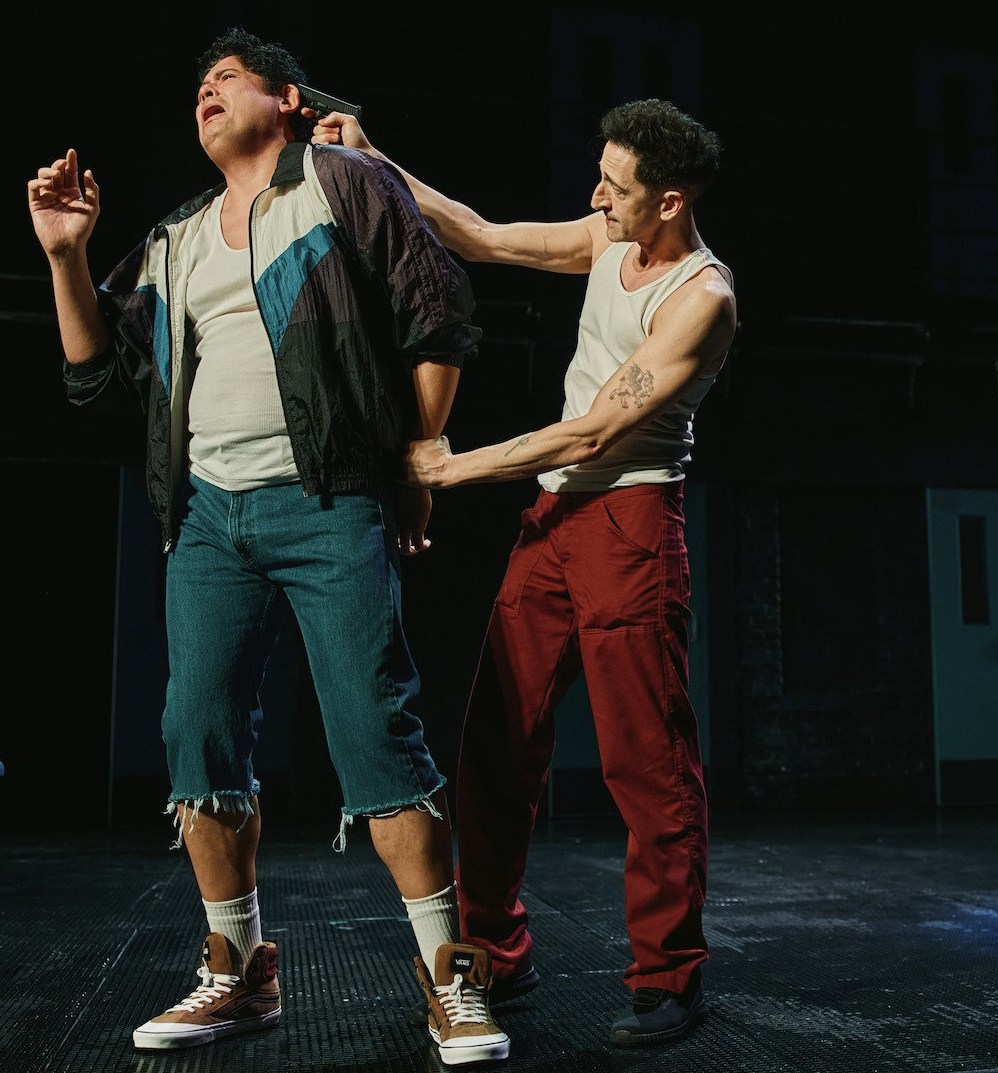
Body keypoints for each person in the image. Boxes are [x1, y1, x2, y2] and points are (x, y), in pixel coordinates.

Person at [27, 28, 509, 1065]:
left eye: (227, 79)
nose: (204, 93)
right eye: (196, 86)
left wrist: (417, 460)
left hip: (328, 498)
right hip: (203, 517)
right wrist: (66, 253)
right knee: (196, 736)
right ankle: (235, 973)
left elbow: (442, 314)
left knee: (377, 736)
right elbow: (88, 372)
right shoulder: (174, 234)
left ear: (288, 100)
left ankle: (449, 978)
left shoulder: (344, 185)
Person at [311, 97, 735, 1046]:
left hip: (629, 524)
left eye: (615, 187)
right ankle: (497, 954)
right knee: (496, 744)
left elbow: (592, 430)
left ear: (668, 201)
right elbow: (483, 236)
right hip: (553, 525)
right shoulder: (604, 243)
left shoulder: (701, 297)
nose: (595, 195)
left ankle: (669, 976)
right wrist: (379, 159)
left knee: (647, 763)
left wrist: (449, 467)